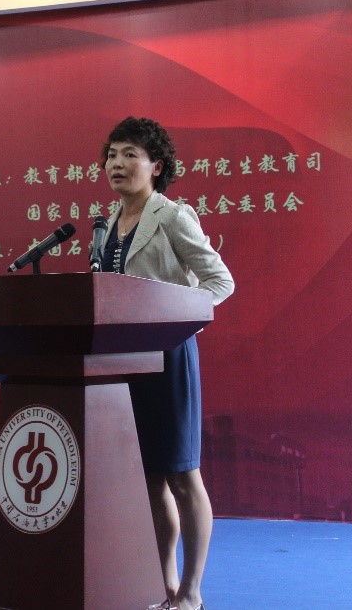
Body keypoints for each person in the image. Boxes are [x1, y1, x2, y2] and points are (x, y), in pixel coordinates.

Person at [99, 117, 234, 610]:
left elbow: (220, 282)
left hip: (170, 358)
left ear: (156, 166)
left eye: (130, 154)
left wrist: (175, 323)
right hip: (123, 361)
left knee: (182, 475)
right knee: (149, 479)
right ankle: (164, 587)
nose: (117, 163)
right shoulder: (106, 223)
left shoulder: (173, 216)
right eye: (112, 154)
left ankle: (192, 593)